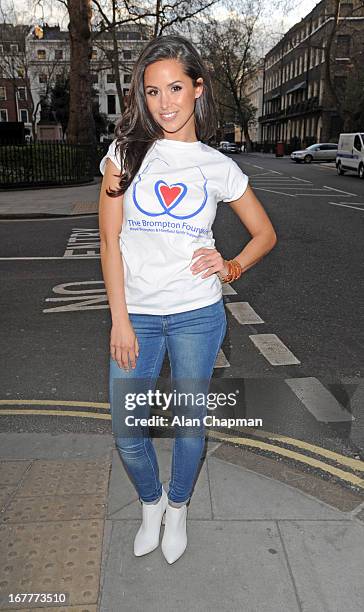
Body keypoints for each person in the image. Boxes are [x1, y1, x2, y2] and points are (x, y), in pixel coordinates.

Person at [98, 34, 277, 565]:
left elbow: (264, 233)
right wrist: (120, 320)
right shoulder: (124, 155)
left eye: (176, 87)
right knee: (128, 432)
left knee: (189, 427)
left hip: (197, 313)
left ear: (198, 89)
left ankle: (178, 507)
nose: (165, 103)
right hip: (139, 316)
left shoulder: (216, 166)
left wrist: (231, 266)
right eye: (153, 92)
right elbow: (109, 242)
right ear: (142, 97)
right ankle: (150, 502)